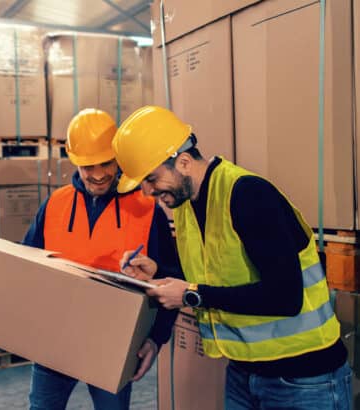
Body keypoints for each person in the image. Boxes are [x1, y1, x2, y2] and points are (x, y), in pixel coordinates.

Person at [114, 106, 351, 410]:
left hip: (304, 379)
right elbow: (213, 276)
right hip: (244, 372)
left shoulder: (247, 194)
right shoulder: (186, 205)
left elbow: (285, 296)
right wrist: (159, 270)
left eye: (151, 178)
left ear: (183, 161)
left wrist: (189, 295)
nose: (147, 191)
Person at [23, 109, 181, 410]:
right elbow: (27, 266)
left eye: (106, 163)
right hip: (55, 340)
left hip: (114, 345)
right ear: (74, 161)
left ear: (117, 158)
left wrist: (156, 338)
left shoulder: (147, 209)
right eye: (88, 166)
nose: (98, 174)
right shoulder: (55, 205)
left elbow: (170, 276)